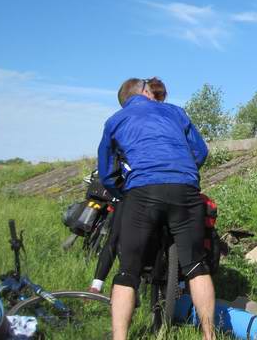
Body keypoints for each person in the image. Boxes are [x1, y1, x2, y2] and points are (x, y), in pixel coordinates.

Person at [98, 78, 215, 340]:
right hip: (184, 189)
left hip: (143, 191)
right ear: (144, 91)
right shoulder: (174, 111)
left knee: (128, 271)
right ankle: (210, 336)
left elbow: (106, 174)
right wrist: (181, 172)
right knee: (196, 266)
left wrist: (125, 193)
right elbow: (201, 151)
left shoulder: (115, 120)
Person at [88, 77, 168, 295]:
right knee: (117, 235)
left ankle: (155, 285)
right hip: (138, 187)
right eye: (156, 96)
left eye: (159, 97)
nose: (157, 100)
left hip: (139, 186)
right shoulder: (158, 119)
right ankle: (98, 284)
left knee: (125, 236)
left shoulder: (137, 119)